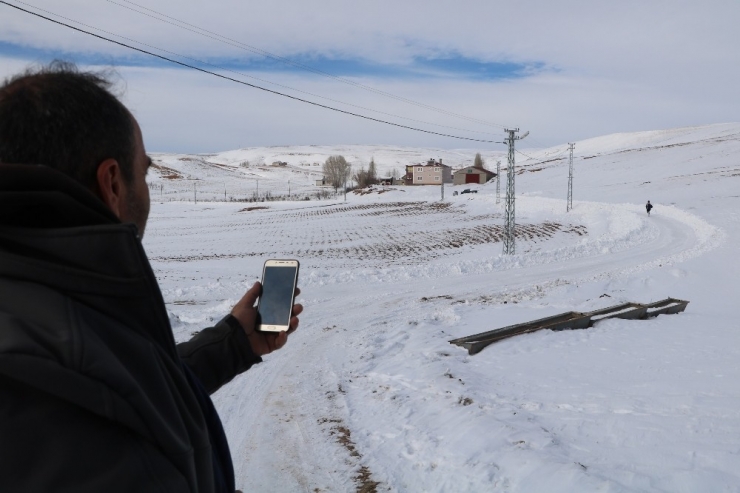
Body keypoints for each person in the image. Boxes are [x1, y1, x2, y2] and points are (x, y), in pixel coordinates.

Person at [0, 61, 302, 492]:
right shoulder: (42, 386)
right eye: (143, 173)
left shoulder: (46, 304)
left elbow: (123, 388)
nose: (146, 189)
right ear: (112, 183)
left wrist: (233, 343)